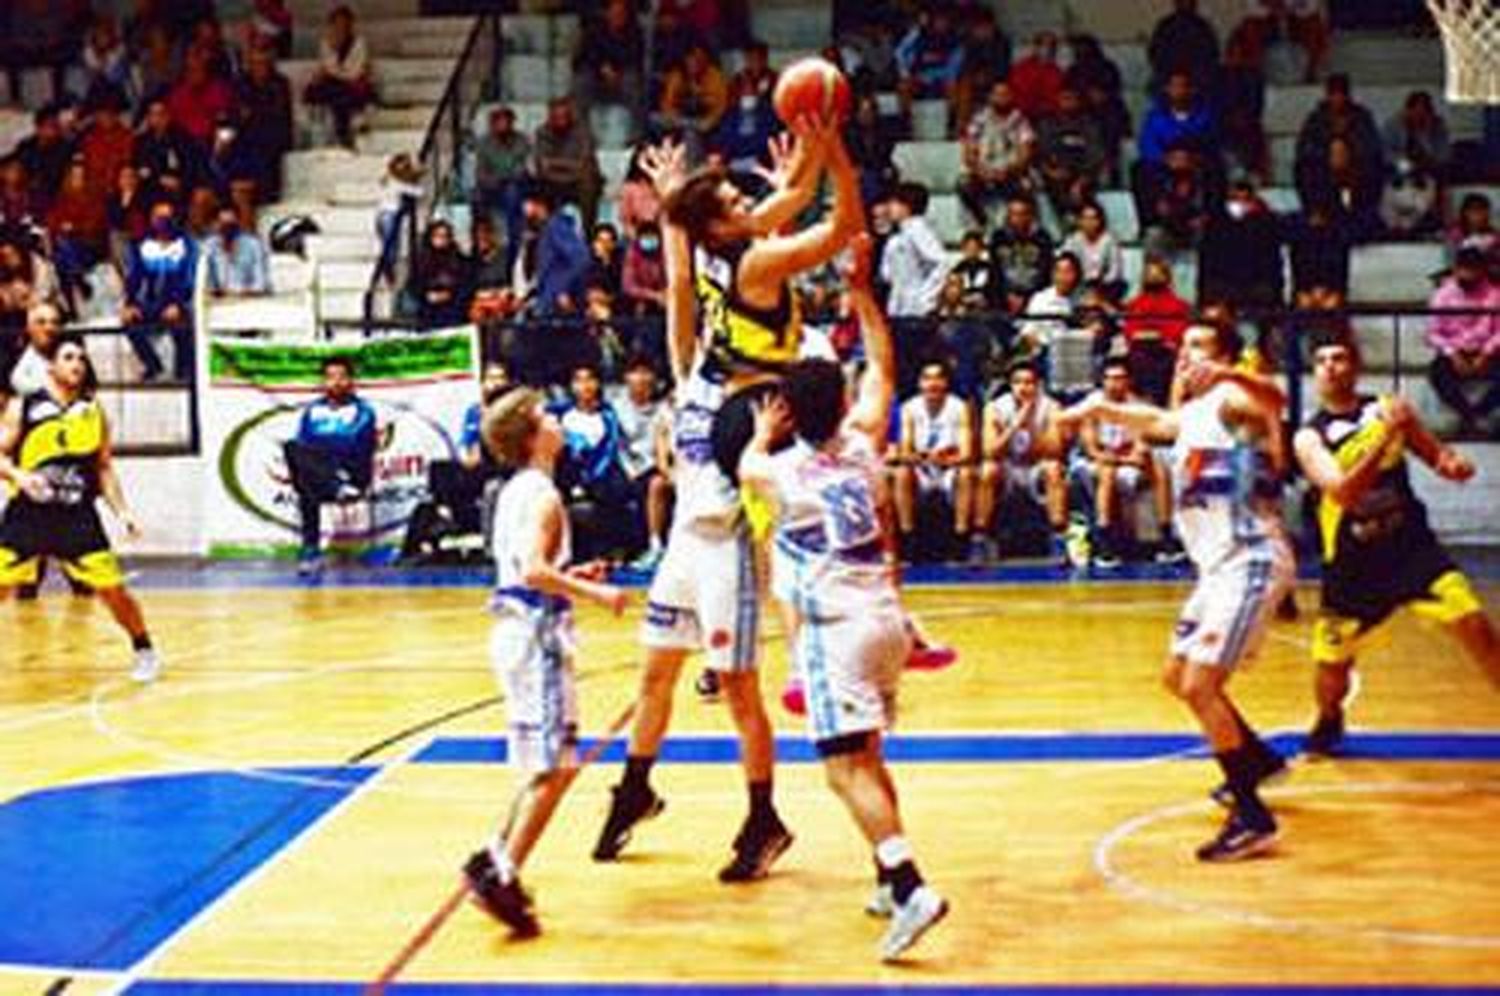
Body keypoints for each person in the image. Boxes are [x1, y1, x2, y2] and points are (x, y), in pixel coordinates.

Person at [593, 122, 858, 880]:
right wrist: (683, 198)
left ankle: (763, 816)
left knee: (739, 686)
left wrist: (814, 153)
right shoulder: (712, 291)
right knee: (654, 673)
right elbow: (682, 281)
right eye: (736, 199)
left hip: (730, 516)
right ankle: (635, 789)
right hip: (690, 508)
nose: (753, 202)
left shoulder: (754, 271)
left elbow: (803, 215)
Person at [738, 233, 948, 962]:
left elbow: (744, 463)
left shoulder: (783, 473)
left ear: (790, 412)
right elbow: (884, 363)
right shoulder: (864, 441)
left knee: (839, 767)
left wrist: (764, 433)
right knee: (868, 751)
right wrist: (861, 291)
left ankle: (909, 880)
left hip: (838, 630)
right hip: (887, 616)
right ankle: (888, 881)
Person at [1056, 322, 1295, 860]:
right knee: (1176, 676)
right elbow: (1155, 420)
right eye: (1184, 346)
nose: (1187, 355)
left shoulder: (1234, 396)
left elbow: (1275, 398)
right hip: (1217, 569)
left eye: (1200, 346)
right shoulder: (1195, 414)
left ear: (1226, 357)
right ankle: (1256, 759)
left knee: (1200, 686)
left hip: (1249, 557)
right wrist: (1096, 408)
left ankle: (1252, 814)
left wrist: (1233, 371)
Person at [462, 386, 629, 939]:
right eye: (546, 416)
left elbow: (524, 569)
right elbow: (533, 571)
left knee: (545, 762)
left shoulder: (515, 489)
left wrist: (577, 577)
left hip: (515, 630)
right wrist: (596, 596)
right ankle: (503, 877)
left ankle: (492, 856)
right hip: (536, 637)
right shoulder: (545, 497)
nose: (557, 420)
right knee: (554, 766)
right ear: (533, 436)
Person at [1294, 328, 1498, 757]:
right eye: (1323, 360)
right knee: (1332, 666)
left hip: (1411, 548)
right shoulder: (1309, 437)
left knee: (1475, 623)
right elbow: (1343, 492)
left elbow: (1434, 453)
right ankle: (1329, 719)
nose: (1331, 367)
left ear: (1356, 366)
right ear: (1315, 373)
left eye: (1339, 358)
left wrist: (1453, 466)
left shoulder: (1388, 408)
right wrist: (1387, 438)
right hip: (1353, 562)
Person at [0, 332, 162, 682]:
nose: (77, 364)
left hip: (76, 517)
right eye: (69, 357)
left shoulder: (94, 412)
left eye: (81, 358)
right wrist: (19, 476)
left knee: (113, 591)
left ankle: (144, 647)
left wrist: (122, 512)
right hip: (28, 514)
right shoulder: (25, 406)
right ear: (52, 366)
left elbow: (103, 468)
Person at [1075, 356, 1177, 568]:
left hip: (1126, 460)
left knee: (1159, 466)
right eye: (1110, 378)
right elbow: (1091, 449)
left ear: (1129, 381)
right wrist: (1115, 457)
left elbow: (1140, 448)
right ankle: (1105, 542)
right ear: (1101, 381)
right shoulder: (1091, 406)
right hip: (1093, 463)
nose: (1115, 383)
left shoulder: (1138, 406)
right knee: (1107, 470)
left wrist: (1127, 457)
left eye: (1120, 378)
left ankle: (1167, 535)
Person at [284, 356, 376, 577]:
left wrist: (323, 441)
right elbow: (304, 445)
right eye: (330, 377)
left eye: (341, 377)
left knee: (310, 478)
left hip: (353, 473)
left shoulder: (363, 410)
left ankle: (338, 484)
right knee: (292, 450)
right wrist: (324, 445)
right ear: (323, 382)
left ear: (351, 381)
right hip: (322, 474)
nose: (336, 382)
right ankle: (312, 550)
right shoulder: (313, 411)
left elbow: (351, 440)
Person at [975, 361, 1068, 561]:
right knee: (987, 470)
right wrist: (1014, 426)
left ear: (1038, 385)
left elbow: (1055, 450)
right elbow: (989, 451)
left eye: (1029, 382)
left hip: (1037, 467)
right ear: (1010, 385)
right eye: (1018, 382)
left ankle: (1059, 537)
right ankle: (980, 537)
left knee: (1054, 469)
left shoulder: (1051, 407)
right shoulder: (995, 408)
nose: (1024, 388)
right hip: (1008, 466)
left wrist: (1031, 427)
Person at [894, 358, 975, 557]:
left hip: (949, 468)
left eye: (938, 378)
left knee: (965, 474)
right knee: (901, 473)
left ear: (946, 383)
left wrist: (946, 460)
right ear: (920, 383)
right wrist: (923, 458)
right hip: (921, 469)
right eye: (927, 378)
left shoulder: (959, 407)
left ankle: (961, 537)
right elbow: (904, 452)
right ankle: (908, 538)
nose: (932, 383)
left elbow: (967, 453)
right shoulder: (909, 408)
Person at [1425, 247, 1499, 435]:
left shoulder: (1495, 295)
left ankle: (1478, 413)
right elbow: (1433, 333)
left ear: (1481, 270)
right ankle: (1469, 416)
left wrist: (1487, 352)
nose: (1467, 275)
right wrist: (1452, 353)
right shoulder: (1442, 295)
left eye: (1472, 270)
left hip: (1487, 351)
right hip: (1454, 353)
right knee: (1437, 373)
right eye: (1463, 269)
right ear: (1456, 269)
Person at [122, 200, 197, 383]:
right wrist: (130, 304)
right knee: (130, 322)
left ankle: (183, 371)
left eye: (167, 217)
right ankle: (153, 366)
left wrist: (178, 304)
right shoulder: (142, 246)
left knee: (181, 322)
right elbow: (134, 278)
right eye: (158, 217)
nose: (163, 222)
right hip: (150, 302)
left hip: (179, 303)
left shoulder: (186, 245)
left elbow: (189, 278)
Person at [614, 354, 672, 567]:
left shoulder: (663, 409)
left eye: (646, 372)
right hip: (621, 469)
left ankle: (656, 547)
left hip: (653, 468)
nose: (641, 378)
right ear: (626, 377)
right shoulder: (615, 408)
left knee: (658, 484)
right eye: (635, 372)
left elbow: (662, 446)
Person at [957, 81, 1035, 229]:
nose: (1001, 98)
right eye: (998, 94)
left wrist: (1007, 171)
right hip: (983, 171)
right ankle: (982, 222)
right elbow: (968, 152)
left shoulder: (1020, 120)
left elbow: (1026, 154)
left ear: (1011, 96)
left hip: (1011, 172)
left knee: (1026, 187)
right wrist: (982, 171)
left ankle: (1015, 225)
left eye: (1005, 94)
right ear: (990, 97)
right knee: (964, 185)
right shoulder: (979, 119)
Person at [304, 5, 373, 148]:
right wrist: (335, 52)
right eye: (337, 23)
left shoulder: (359, 43)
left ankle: (345, 133)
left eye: (344, 23)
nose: (341, 27)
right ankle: (341, 134)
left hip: (351, 85)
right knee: (323, 91)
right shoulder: (326, 43)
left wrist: (339, 73)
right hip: (336, 84)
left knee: (345, 94)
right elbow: (328, 66)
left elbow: (356, 70)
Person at [879, 182, 951, 319]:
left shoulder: (917, 228)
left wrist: (926, 296)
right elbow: (887, 274)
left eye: (895, 203)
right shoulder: (898, 234)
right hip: (898, 306)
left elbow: (942, 262)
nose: (890, 208)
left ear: (907, 206)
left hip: (915, 309)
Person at [204, 204, 271, 297]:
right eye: (224, 226)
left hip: (248, 302)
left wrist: (238, 292)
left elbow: (261, 284)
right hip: (219, 303)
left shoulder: (254, 245)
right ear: (215, 225)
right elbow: (205, 284)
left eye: (232, 226)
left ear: (239, 223)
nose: (228, 231)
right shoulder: (208, 246)